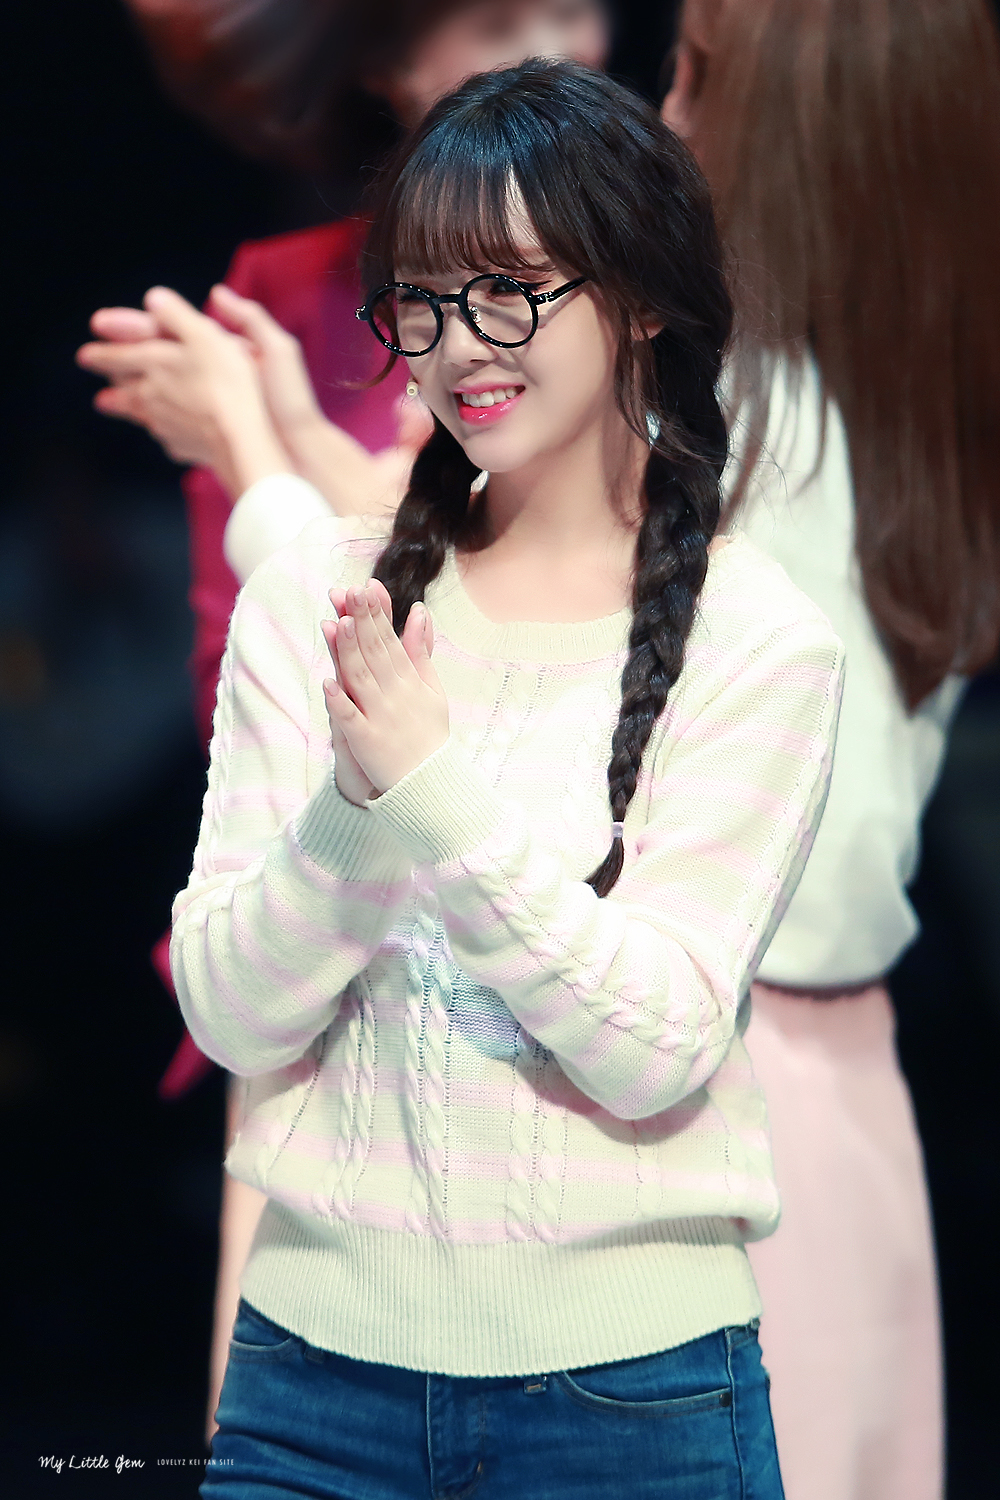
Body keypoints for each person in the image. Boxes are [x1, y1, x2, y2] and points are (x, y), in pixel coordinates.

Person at [170, 59, 843, 1495]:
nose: (459, 342)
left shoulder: (758, 641)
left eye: (511, 290)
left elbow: (654, 1043)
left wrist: (429, 789)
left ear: (641, 294)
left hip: (634, 1403)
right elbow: (229, 1009)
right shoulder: (320, 599)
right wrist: (356, 815)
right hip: (309, 1383)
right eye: (420, 300)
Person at [77, 1, 610, 1432]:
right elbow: (246, 702)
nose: (557, 43)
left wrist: (261, 453)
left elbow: (532, 650)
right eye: (495, 16)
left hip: (549, 993)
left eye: (575, 3)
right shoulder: (285, 301)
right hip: (329, 973)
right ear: (381, 58)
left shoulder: (630, 292)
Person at [660, 3, 1000, 1498]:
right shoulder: (927, 428)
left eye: (696, 76)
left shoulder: (716, 420)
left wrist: (261, 460)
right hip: (855, 1106)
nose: (664, 117)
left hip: (691, 1118)